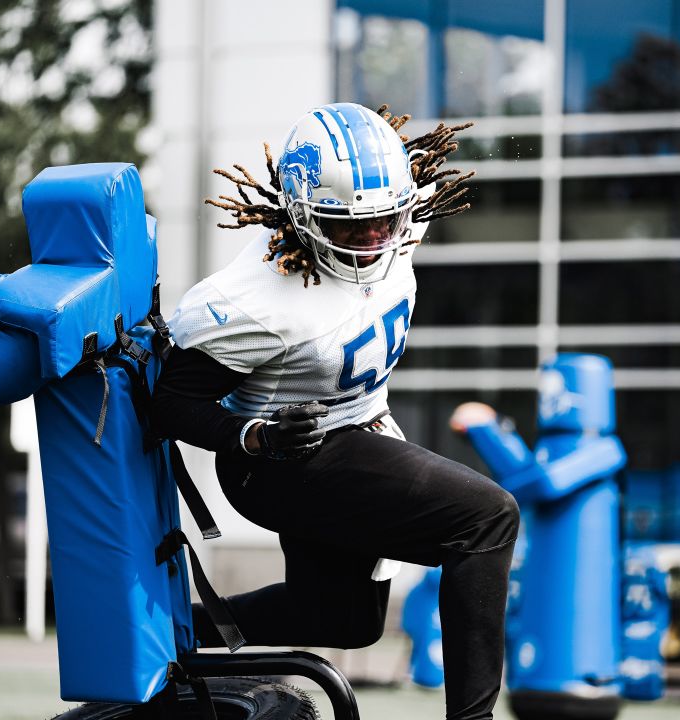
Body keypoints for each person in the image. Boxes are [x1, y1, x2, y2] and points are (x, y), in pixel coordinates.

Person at [150, 103, 519, 720]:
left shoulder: (398, 221)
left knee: (342, 619)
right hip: (282, 459)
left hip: (359, 428)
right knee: (487, 519)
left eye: (385, 220)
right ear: (301, 216)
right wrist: (255, 436)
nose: (375, 238)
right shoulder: (257, 301)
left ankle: (167, 633)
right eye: (349, 227)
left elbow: (381, 216)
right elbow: (170, 404)